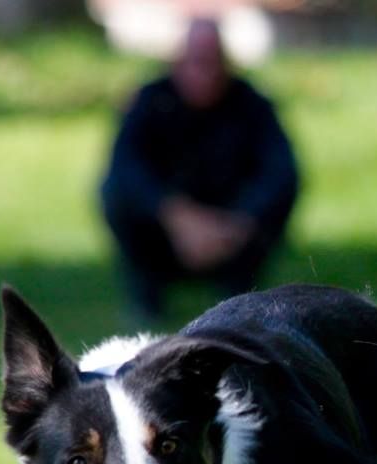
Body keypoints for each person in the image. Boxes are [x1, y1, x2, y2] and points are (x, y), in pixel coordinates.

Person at [100, 18, 300, 323]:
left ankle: (240, 290)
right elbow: (125, 169)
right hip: (165, 231)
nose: (203, 74)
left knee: (276, 200)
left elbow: (281, 173)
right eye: (195, 61)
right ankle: (147, 297)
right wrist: (175, 215)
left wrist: (238, 221)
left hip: (232, 230)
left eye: (212, 61)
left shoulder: (252, 105)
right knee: (115, 194)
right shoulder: (150, 101)